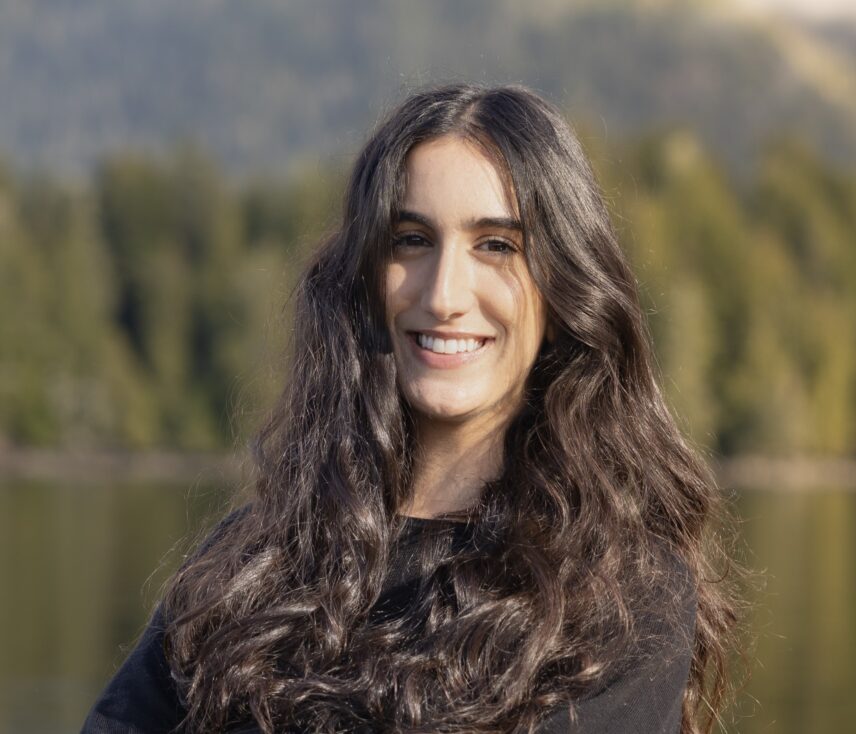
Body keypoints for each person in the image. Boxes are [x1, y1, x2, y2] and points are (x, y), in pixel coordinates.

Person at [82, 83, 741, 734]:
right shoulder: (256, 560)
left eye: (496, 246)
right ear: (367, 278)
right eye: (411, 240)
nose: (444, 294)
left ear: (563, 287)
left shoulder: (624, 595)